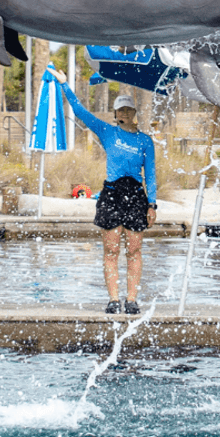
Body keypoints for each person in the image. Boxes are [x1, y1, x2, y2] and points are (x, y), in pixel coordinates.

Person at [47, 68, 156, 315]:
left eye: (128, 109)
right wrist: (64, 84)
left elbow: (150, 174)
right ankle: (114, 300)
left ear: (134, 113)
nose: (124, 113)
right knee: (111, 249)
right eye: (120, 110)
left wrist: (152, 204)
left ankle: (131, 300)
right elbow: (80, 112)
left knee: (134, 250)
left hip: (135, 196)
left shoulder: (145, 141)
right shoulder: (107, 131)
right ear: (115, 114)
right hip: (112, 194)